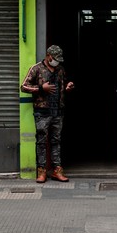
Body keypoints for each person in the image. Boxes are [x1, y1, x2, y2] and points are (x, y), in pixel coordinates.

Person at [20, 45, 75, 183]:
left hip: (58, 111)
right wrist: (41, 88)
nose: (57, 61)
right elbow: (23, 87)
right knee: (41, 142)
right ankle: (41, 171)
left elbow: (62, 85)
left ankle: (57, 170)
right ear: (49, 56)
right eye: (55, 58)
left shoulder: (60, 69)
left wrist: (68, 87)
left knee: (56, 141)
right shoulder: (36, 68)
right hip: (42, 112)